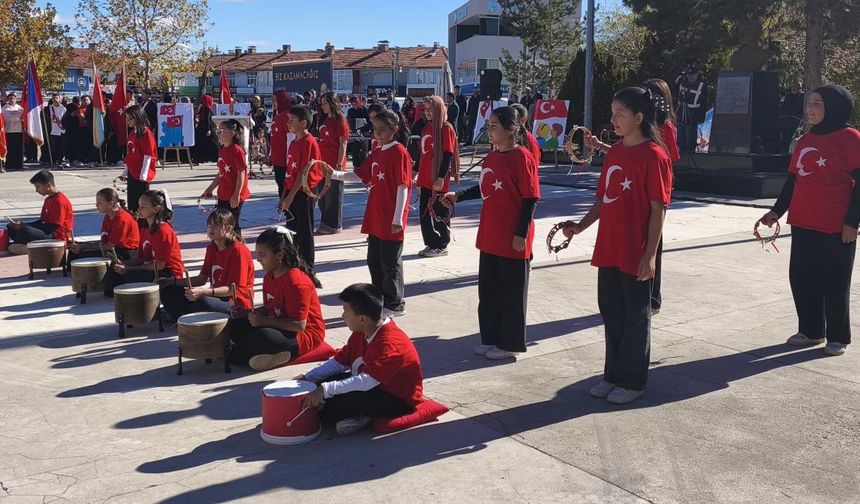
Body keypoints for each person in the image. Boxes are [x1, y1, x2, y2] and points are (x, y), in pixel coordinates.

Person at [563, 87, 672, 404]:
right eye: (612, 113)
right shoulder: (614, 153)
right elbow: (602, 199)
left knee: (636, 318)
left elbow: (658, 210)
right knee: (612, 314)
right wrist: (579, 227)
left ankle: (632, 380)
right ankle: (612, 375)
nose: (613, 120)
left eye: (619, 114)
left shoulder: (655, 156)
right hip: (608, 248)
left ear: (639, 118)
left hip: (634, 250)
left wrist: (649, 255)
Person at [758, 84, 860, 357]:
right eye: (810, 103)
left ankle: (838, 336)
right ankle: (811, 330)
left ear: (833, 108)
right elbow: (792, 181)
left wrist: (853, 222)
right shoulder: (806, 140)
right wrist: (776, 212)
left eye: (816, 103)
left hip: (837, 227)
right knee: (802, 278)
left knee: (835, 283)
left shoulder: (850, 138)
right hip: (803, 222)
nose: (810, 109)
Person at [440, 106, 540, 360]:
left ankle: (510, 343)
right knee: (490, 291)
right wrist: (458, 195)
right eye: (489, 125)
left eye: (495, 126)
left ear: (511, 129)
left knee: (511, 293)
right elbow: (485, 187)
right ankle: (492, 338)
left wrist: (521, 233)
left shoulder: (522, 157)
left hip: (512, 236)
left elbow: (530, 198)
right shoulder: (493, 157)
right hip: (491, 233)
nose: (490, 130)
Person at [296, 283, 423, 436]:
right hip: (369, 384)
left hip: (395, 397)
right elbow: (339, 362)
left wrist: (324, 390)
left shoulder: (390, 343)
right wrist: (307, 377)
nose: (342, 316)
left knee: (327, 413)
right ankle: (358, 414)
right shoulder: (361, 331)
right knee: (315, 385)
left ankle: (364, 416)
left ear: (363, 319)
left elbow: (367, 381)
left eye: (345, 311)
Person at [330, 109, 412, 317]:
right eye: (376, 129)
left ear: (394, 130)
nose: (378, 134)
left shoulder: (399, 152)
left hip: (390, 216)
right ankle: (380, 299)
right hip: (375, 215)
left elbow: (403, 186)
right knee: (374, 260)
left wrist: (397, 220)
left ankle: (394, 303)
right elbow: (360, 174)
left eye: (383, 130)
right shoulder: (377, 150)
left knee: (390, 262)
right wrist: (334, 174)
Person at [229, 226, 326, 371]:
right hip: (279, 324)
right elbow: (270, 308)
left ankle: (249, 353)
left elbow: (299, 325)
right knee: (236, 324)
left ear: (279, 256)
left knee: (262, 336)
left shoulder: (296, 282)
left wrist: (264, 321)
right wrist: (247, 313)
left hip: (304, 334)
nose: (258, 260)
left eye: (262, 255)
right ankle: (265, 354)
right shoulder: (270, 275)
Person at [160, 208, 254, 321]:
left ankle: (185, 314)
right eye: (209, 224)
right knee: (168, 289)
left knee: (203, 301)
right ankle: (184, 315)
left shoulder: (238, 251)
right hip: (216, 295)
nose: (211, 228)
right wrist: (172, 281)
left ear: (228, 228)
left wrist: (205, 292)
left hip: (235, 301)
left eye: (216, 225)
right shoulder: (212, 248)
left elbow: (234, 289)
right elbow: (201, 279)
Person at [110, 189, 185, 290]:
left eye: (143, 206)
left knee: (130, 276)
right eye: (139, 205)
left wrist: (129, 269)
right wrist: (124, 264)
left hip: (168, 274)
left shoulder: (163, 231)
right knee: (114, 271)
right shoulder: (145, 229)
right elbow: (142, 258)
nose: (139, 209)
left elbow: (160, 265)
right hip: (152, 269)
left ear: (156, 209)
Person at [278, 104, 322, 267]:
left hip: (304, 191)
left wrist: (290, 196)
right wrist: (284, 195)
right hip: (291, 190)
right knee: (291, 229)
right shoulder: (293, 142)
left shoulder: (309, 142)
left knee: (305, 230)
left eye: (293, 120)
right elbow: (290, 172)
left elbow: (304, 172)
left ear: (304, 123)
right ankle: (294, 262)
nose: (288, 123)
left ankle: (308, 266)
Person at [416, 95, 459, 257]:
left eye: (431, 109)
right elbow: (423, 154)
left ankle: (442, 243)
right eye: (425, 109)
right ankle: (431, 242)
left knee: (440, 211)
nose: (427, 112)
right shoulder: (427, 128)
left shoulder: (445, 128)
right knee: (425, 212)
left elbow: (448, 155)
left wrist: (441, 177)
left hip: (438, 179)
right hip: (425, 177)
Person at [6, 170, 74, 255]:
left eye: (38, 187)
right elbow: (42, 221)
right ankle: (27, 244)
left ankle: (30, 247)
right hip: (47, 230)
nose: (36, 190)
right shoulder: (48, 199)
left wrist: (25, 227)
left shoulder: (59, 201)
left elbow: (52, 227)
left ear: (48, 185)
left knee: (25, 231)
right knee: (10, 227)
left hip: (56, 236)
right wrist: (22, 224)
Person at [67, 187, 139, 266]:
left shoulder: (121, 219)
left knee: (82, 256)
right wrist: (81, 246)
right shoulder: (108, 216)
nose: (96, 205)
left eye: (100, 203)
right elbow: (104, 242)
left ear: (110, 204)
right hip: (112, 248)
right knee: (73, 251)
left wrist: (84, 247)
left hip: (125, 253)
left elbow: (110, 245)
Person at [201, 119, 250, 234]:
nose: (218, 133)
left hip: (234, 194)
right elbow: (221, 172)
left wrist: (236, 194)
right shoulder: (222, 150)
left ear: (232, 133)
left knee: (232, 224)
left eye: (222, 130)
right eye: (218, 130)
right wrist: (210, 188)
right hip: (223, 193)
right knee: (221, 222)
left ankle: (238, 247)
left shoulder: (236, 150)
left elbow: (241, 172)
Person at [317, 91, 350, 234]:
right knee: (322, 195)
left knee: (334, 196)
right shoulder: (325, 121)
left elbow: (343, 144)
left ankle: (334, 225)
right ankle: (325, 222)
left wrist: (338, 165)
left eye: (325, 103)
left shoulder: (340, 120)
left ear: (332, 103)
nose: (323, 106)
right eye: (322, 103)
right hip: (322, 164)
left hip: (334, 164)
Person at [120, 105, 157, 215]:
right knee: (132, 201)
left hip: (141, 174)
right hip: (133, 171)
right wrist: (126, 171)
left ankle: (143, 225)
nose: (127, 121)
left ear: (137, 117)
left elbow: (148, 155)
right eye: (126, 118)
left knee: (142, 202)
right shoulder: (132, 133)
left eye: (130, 118)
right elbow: (130, 153)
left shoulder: (146, 133)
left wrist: (144, 174)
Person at [675, 67, 708, 152]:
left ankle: (690, 153)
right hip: (681, 113)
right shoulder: (682, 83)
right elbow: (675, 94)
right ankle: (681, 153)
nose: (690, 77)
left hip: (693, 115)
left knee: (690, 138)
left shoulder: (701, 86)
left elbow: (703, 103)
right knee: (681, 136)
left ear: (696, 75)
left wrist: (701, 118)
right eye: (689, 75)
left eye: (692, 75)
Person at [269, 90, 294, 199]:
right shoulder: (276, 116)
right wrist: (271, 155)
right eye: (273, 100)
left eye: (276, 100)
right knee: (280, 184)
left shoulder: (287, 117)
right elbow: (273, 138)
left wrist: (290, 159)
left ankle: (286, 210)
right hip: (278, 159)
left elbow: (291, 139)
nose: (274, 103)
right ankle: (282, 209)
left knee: (286, 186)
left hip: (285, 161)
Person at [193, 95, 219, 164]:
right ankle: (215, 157)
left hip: (201, 128)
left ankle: (199, 158)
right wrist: (209, 129)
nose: (213, 102)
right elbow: (207, 119)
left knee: (202, 144)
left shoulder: (202, 108)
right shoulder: (207, 108)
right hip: (206, 128)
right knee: (214, 143)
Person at [780, 83, 805, 153]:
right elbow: (784, 108)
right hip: (786, 120)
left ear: (799, 88)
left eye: (795, 88)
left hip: (797, 120)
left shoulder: (803, 96)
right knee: (785, 137)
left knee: (793, 137)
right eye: (792, 88)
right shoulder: (789, 96)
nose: (793, 89)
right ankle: (784, 150)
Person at [2, 93, 24, 170]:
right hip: (9, 131)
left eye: (13, 98)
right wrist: (19, 118)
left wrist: (19, 118)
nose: (12, 100)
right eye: (10, 98)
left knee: (18, 149)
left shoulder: (20, 108)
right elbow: (9, 118)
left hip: (18, 131)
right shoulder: (5, 108)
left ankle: (18, 165)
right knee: (10, 149)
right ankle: (10, 164)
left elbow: (23, 117)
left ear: (16, 99)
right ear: (8, 99)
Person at [47, 94, 66, 167]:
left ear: (60, 99)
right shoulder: (49, 108)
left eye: (56, 98)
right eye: (53, 98)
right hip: (53, 130)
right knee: (54, 147)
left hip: (61, 130)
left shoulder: (63, 108)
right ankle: (54, 160)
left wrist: (61, 122)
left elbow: (65, 119)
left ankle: (60, 160)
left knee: (61, 147)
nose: (55, 99)